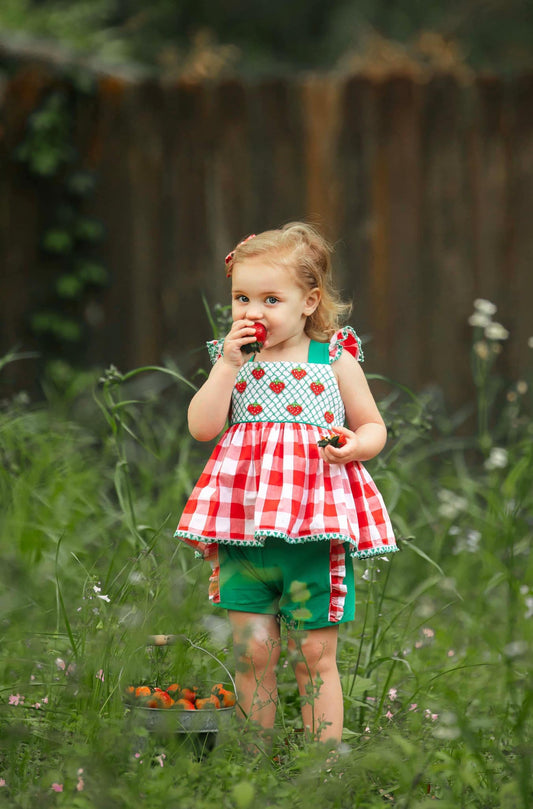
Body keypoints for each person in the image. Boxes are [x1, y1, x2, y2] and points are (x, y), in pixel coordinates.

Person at [174, 222, 397, 749]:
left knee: (314, 655)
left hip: (312, 526)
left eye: (271, 299)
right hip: (244, 526)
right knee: (253, 653)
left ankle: (323, 765)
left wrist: (357, 445)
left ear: (308, 302)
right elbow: (202, 427)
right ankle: (256, 755)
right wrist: (226, 365)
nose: (253, 311)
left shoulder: (333, 358)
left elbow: (373, 425)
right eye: (242, 298)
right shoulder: (234, 361)